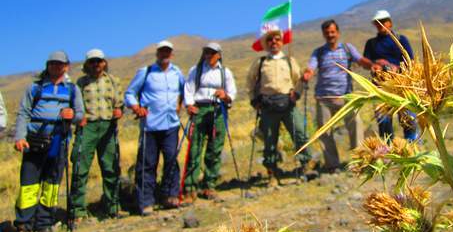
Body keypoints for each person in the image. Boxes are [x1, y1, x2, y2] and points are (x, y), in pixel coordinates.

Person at [12, 51, 84, 232]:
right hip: (33, 141)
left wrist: (72, 115)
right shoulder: (34, 88)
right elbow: (23, 113)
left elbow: (80, 115)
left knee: (51, 184)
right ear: (48, 65)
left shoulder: (71, 89)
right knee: (29, 184)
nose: (57, 67)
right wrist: (19, 137)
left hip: (58, 141)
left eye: (60, 64)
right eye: (53, 63)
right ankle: (23, 227)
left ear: (67, 66)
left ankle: (44, 225)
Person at [302, 19, 373, 171]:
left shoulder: (347, 49)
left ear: (338, 33)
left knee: (356, 126)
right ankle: (332, 165)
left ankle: (358, 162)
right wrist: (308, 73)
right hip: (324, 98)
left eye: (333, 32)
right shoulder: (319, 52)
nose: (330, 35)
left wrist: (373, 66)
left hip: (346, 97)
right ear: (323, 34)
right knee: (325, 132)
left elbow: (360, 60)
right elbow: (311, 67)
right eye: (327, 33)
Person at [246, 30, 313, 186]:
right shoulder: (260, 62)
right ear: (266, 43)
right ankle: (272, 173)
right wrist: (253, 100)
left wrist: (296, 94)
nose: (274, 42)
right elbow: (250, 82)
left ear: (282, 42)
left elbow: (298, 80)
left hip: (288, 104)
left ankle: (305, 165)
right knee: (269, 141)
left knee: (300, 133)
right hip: (268, 107)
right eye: (270, 40)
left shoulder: (290, 60)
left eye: (277, 39)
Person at [125, 40, 185, 215]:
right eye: (162, 51)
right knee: (147, 164)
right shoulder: (146, 72)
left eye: (168, 51)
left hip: (171, 123)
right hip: (150, 126)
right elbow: (130, 93)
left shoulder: (177, 72)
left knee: (171, 160)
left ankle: (170, 196)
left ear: (172, 54)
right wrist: (136, 107)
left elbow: (185, 90)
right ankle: (146, 202)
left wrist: (181, 105)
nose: (165, 54)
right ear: (157, 53)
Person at [69, 49, 124, 224]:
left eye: (99, 61)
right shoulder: (80, 83)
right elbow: (74, 105)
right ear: (87, 64)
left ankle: (112, 206)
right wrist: (79, 118)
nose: (96, 64)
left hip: (108, 125)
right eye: (92, 62)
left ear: (104, 62)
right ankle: (77, 210)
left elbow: (119, 103)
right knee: (80, 167)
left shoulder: (113, 81)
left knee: (111, 167)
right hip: (87, 127)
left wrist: (119, 110)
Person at [182, 42, 237, 204]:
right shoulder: (196, 70)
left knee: (215, 149)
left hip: (218, 110)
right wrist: (189, 105)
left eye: (212, 53)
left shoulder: (225, 72)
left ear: (219, 55)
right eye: (207, 52)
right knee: (195, 149)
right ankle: (189, 188)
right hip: (199, 110)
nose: (209, 56)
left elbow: (232, 92)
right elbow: (188, 89)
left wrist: (225, 95)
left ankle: (209, 185)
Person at [363, 10, 419, 141]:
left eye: (382, 22)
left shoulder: (400, 39)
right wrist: (374, 65)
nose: (380, 25)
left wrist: (395, 68)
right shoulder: (371, 43)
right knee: (383, 120)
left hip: (401, 84)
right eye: (377, 23)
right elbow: (365, 62)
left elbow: (410, 60)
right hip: (380, 85)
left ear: (390, 23)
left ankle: (413, 146)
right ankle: (388, 151)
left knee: (408, 117)